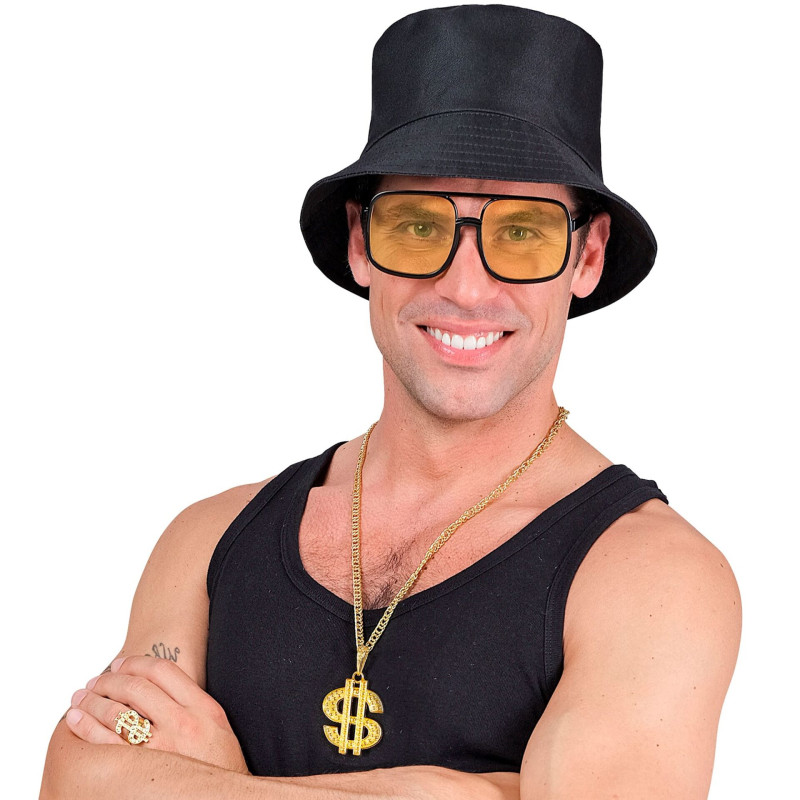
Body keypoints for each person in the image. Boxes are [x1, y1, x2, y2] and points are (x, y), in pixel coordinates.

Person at [40, 5, 741, 798]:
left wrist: (209, 783)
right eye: (417, 226)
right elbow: (76, 780)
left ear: (587, 256)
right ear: (358, 242)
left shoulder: (654, 576)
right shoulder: (207, 543)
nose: (465, 287)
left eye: (523, 233)